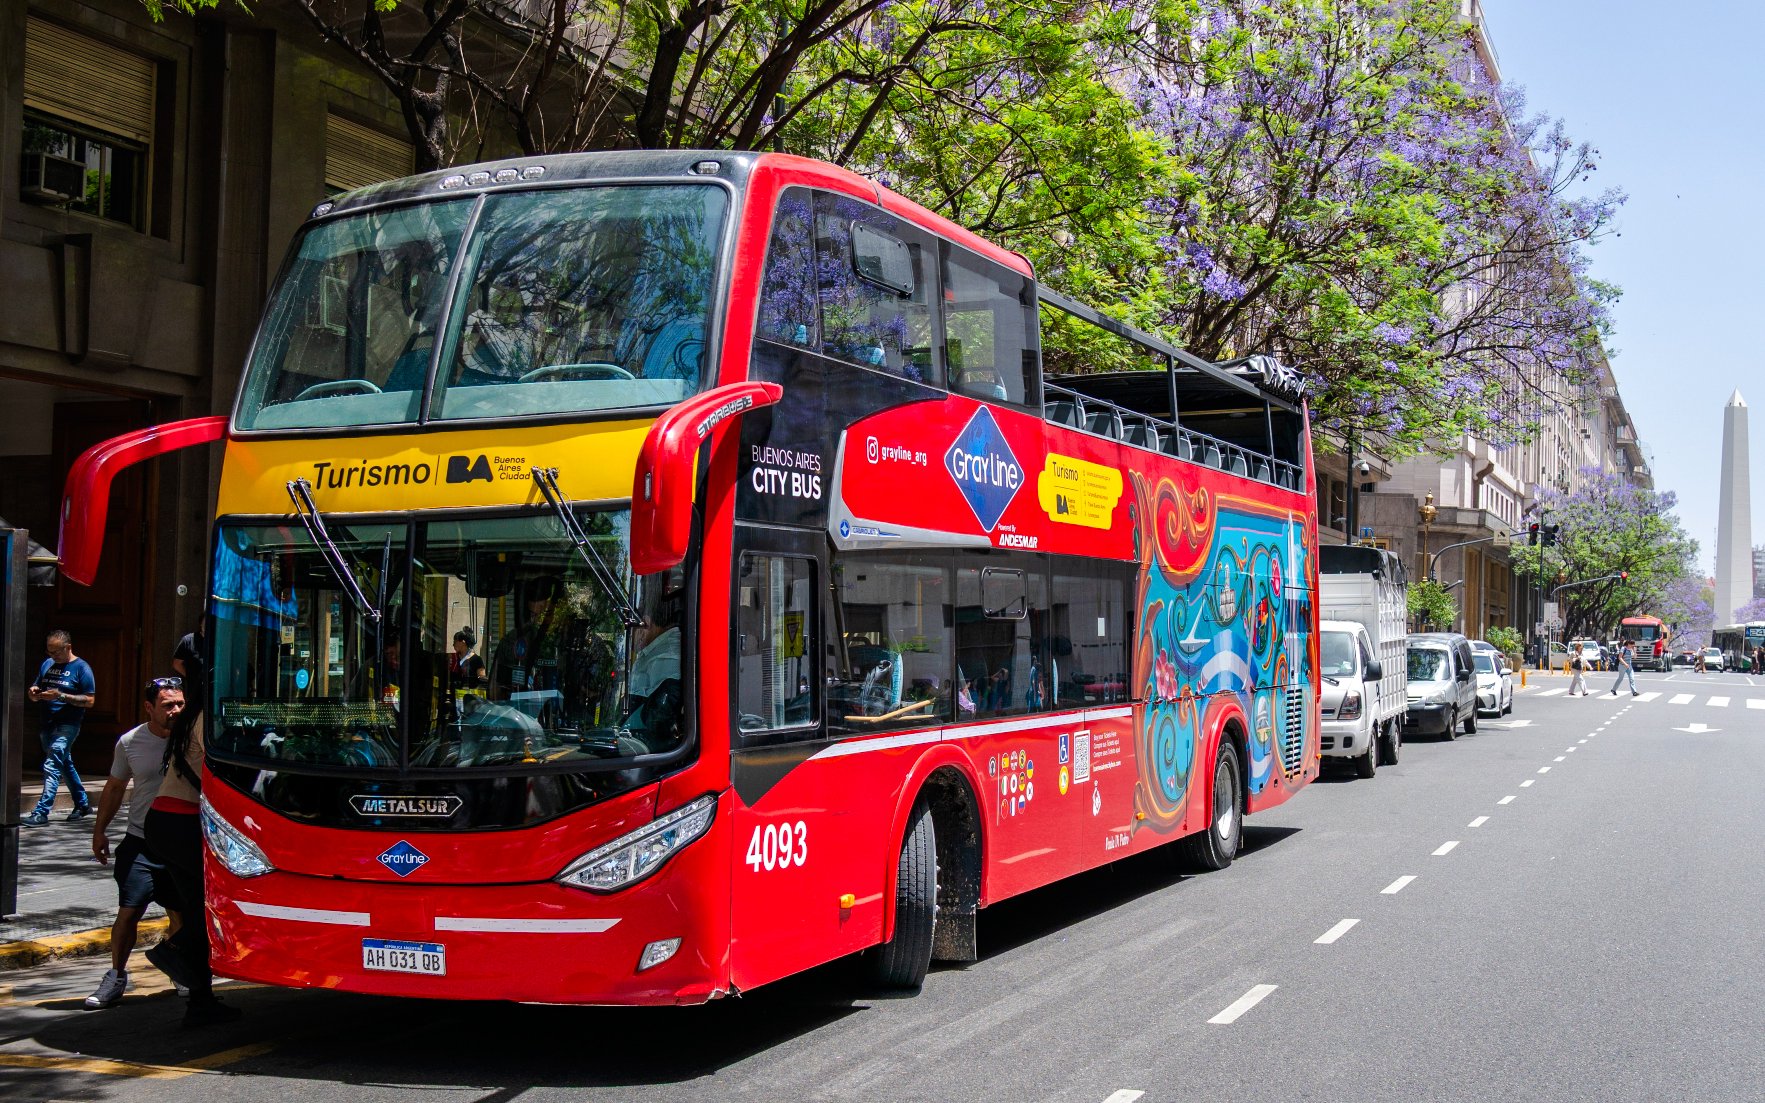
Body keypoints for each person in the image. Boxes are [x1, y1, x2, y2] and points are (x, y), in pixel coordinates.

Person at [141, 663, 241, 1026]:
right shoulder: (203, 720)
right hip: (181, 822)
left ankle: (200, 1001)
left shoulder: (192, 718)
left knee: (195, 905)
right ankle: (173, 950)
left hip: (168, 822)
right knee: (207, 908)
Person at [86, 678, 187, 1010]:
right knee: (129, 910)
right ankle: (116, 976)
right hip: (140, 841)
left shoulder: (195, 740)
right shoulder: (130, 742)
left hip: (179, 843)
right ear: (149, 707)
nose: (175, 710)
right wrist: (100, 831)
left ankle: (180, 969)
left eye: (180, 704)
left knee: (181, 915)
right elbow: (115, 788)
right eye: (167, 705)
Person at [22, 629, 97, 826]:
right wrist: (33, 693)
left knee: (52, 764)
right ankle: (82, 804)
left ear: (68, 647)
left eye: (56, 652)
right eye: (49, 652)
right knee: (64, 763)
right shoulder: (47, 664)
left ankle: (41, 811)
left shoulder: (82, 668)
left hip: (68, 724)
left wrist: (61, 696)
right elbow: (35, 689)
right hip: (47, 722)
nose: (52, 656)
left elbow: (89, 700)